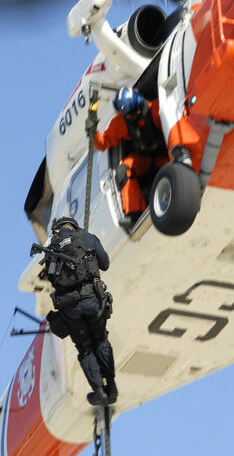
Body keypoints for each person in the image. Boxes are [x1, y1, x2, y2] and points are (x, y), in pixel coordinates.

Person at [41, 216, 117, 407]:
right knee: (101, 340)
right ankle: (112, 387)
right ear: (74, 226)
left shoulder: (53, 248)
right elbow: (105, 263)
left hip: (70, 308)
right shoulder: (87, 238)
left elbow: (51, 279)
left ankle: (99, 391)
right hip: (92, 300)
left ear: (58, 230)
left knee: (85, 348)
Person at [92, 86, 166, 223]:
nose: (127, 117)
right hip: (146, 160)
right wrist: (93, 132)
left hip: (168, 157)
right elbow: (103, 143)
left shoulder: (156, 109)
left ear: (137, 108)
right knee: (124, 169)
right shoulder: (121, 122)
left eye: (129, 114)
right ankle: (136, 214)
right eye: (124, 114)